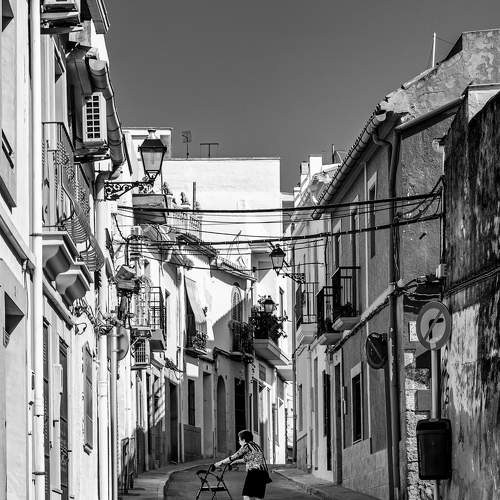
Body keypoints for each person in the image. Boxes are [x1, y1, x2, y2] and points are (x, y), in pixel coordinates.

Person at [214, 429, 270, 500]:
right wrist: (236, 462)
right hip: (264, 473)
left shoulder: (246, 446)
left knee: (246, 495)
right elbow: (248, 459)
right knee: (258, 496)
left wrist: (218, 464)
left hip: (254, 473)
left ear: (243, 440)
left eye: (239, 440)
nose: (239, 442)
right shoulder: (256, 446)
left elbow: (233, 457)